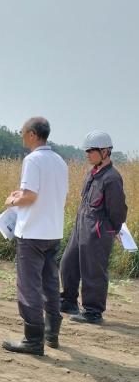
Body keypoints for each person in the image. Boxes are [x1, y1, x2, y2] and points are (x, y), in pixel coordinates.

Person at [2, 117, 68, 356]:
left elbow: (30, 197)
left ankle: (33, 340)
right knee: (50, 283)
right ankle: (52, 333)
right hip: (53, 231)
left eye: (22, 132)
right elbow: (51, 192)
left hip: (31, 232)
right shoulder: (60, 161)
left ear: (32, 134)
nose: (21, 136)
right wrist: (22, 193)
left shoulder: (32, 160)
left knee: (29, 285)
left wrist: (12, 200)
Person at [60, 131, 127, 324]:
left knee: (93, 270)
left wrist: (112, 230)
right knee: (68, 263)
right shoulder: (92, 173)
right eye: (87, 150)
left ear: (105, 151)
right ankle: (68, 301)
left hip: (98, 231)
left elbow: (118, 210)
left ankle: (93, 311)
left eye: (91, 150)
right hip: (81, 226)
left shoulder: (112, 178)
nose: (87, 154)